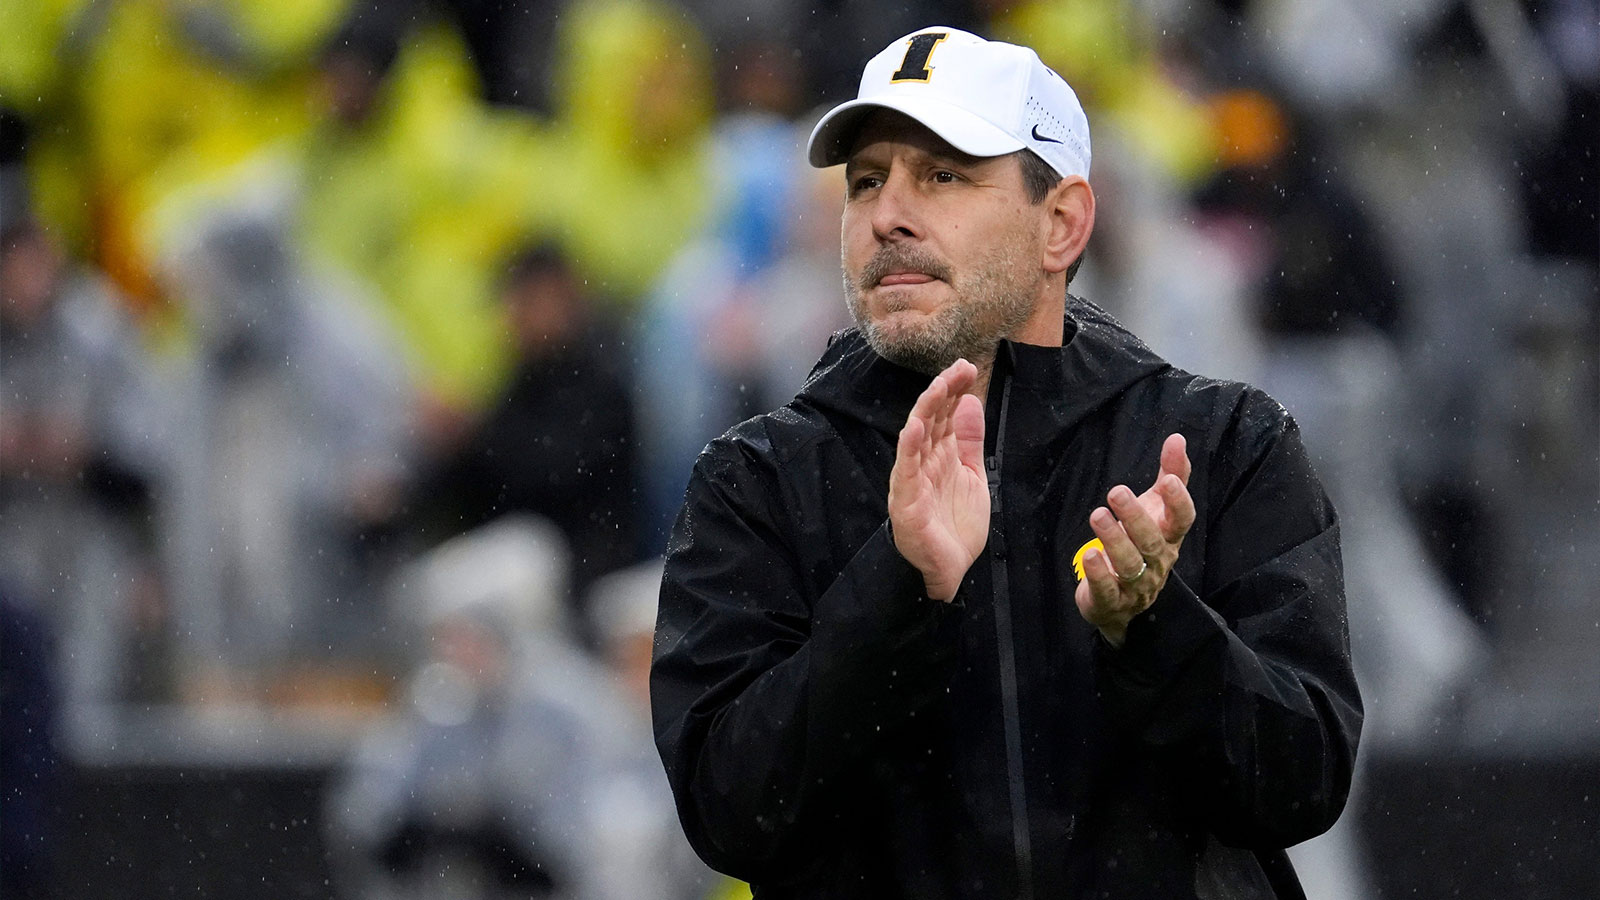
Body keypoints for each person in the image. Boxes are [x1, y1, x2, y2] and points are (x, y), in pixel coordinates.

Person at [650, 27, 1362, 899]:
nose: (887, 214)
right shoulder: (755, 477)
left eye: (943, 175)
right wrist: (899, 589)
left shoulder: (1224, 445)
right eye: (866, 180)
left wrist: (1156, 629)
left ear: (1061, 223)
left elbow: (1304, 784)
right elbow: (728, 813)